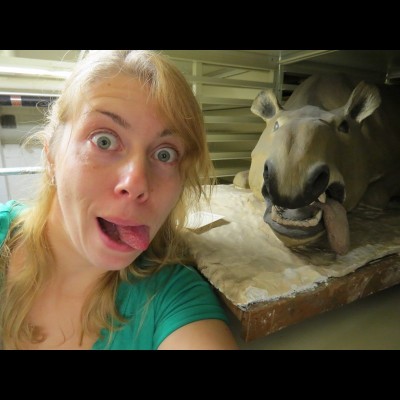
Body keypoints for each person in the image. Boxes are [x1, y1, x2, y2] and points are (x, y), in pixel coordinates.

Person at [0, 50, 238, 350]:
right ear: (50, 156)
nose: (137, 183)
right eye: (104, 140)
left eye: (165, 154)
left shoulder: (173, 298)